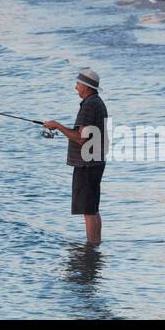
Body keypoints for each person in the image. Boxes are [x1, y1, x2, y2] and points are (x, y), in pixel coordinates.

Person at [43, 69, 108, 246]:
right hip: (96, 160)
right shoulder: (97, 103)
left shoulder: (89, 106)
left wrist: (57, 125)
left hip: (87, 163)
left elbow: (81, 138)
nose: (76, 87)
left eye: (78, 84)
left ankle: (91, 246)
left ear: (86, 87)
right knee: (93, 208)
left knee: (88, 210)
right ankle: (96, 244)